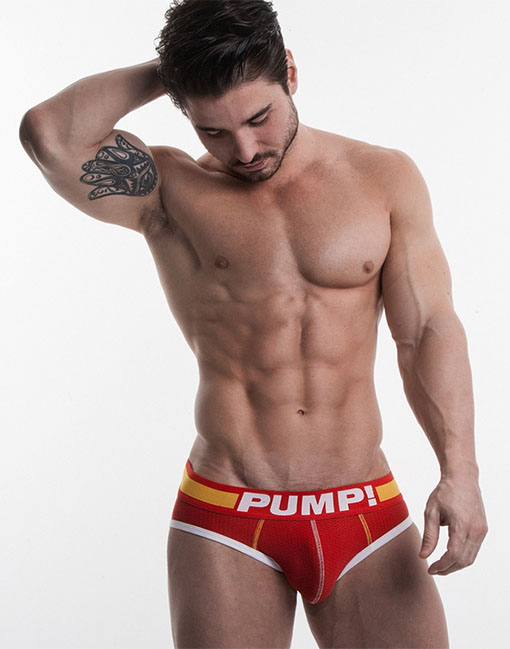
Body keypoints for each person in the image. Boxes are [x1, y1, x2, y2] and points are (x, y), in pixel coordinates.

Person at [19, 0, 487, 647]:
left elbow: (428, 329)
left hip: (362, 506)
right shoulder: (170, 191)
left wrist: (461, 471)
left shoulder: (382, 178)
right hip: (226, 512)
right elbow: (48, 134)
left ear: (289, 70)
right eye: (213, 130)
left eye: (258, 118)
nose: (243, 149)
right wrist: (179, 65)